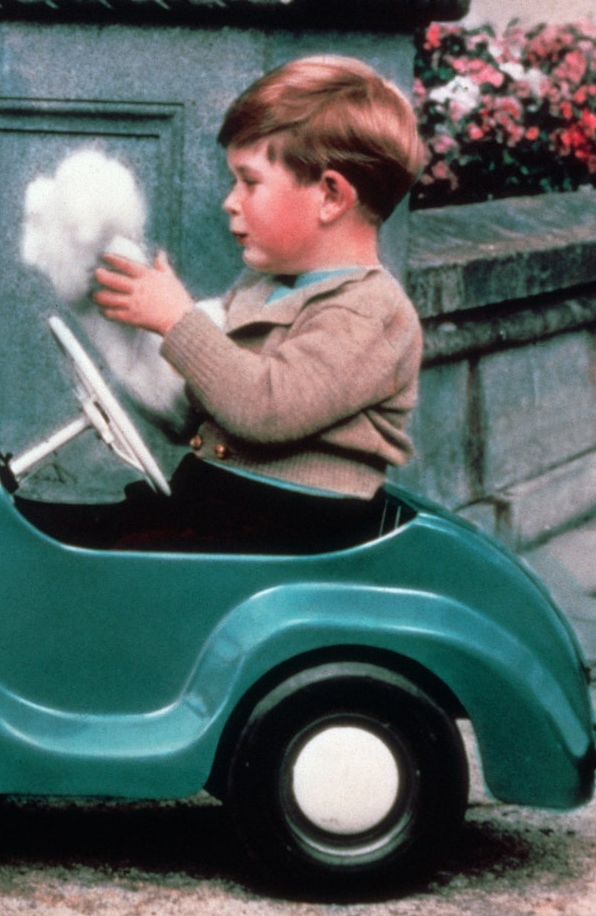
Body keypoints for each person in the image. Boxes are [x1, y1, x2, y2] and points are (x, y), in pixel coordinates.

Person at [91, 55, 426, 554]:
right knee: (65, 528)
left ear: (331, 196)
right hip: (227, 505)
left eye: (249, 182)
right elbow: (203, 408)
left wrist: (177, 321)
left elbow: (265, 409)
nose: (230, 201)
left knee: (106, 560)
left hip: (294, 526)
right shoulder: (261, 286)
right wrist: (133, 347)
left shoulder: (371, 311)